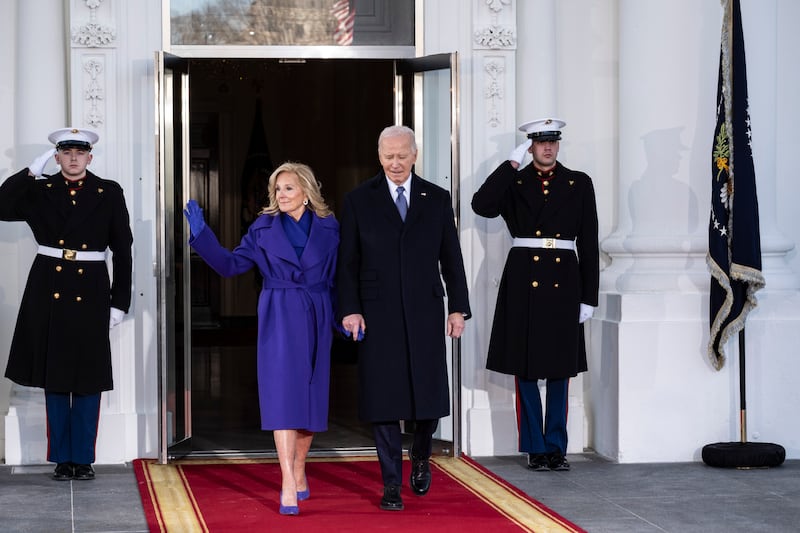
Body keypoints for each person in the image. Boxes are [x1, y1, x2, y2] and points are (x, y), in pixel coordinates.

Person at [182, 161, 338, 516]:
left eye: (288, 188)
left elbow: (339, 275)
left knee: (310, 402)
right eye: (277, 189)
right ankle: (286, 480)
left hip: (317, 312)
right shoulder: (262, 228)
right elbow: (230, 266)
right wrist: (202, 234)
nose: (281, 195)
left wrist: (346, 315)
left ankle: (299, 469)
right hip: (280, 315)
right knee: (283, 397)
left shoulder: (330, 227)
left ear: (306, 193)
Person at [337, 125, 471, 511]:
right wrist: (350, 308)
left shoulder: (437, 198)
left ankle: (422, 453)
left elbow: (452, 258)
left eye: (402, 155)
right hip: (376, 315)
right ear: (378, 156)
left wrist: (457, 307)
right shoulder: (359, 199)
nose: (395, 163)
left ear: (415, 154)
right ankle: (391, 482)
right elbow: (348, 263)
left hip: (425, 310)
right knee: (383, 400)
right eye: (387, 156)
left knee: (426, 400)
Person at [1, 128, 133, 481]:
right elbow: (2, 206)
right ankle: (61, 458)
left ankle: (82, 458)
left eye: (80, 152)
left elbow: (122, 250)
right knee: (55, 376)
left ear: (90, 157)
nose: (73, 158)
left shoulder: (109, 192)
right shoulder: (40, 190)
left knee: (87, 377)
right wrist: (30, 171)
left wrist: (119, 301)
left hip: (91, 288)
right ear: (56, 157)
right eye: (65, 152)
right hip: (49, 286)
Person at [471, 118, 599, 472]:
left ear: (558, 145)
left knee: (561, 368)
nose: (547, 148)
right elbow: (481, 205)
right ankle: (534, 447)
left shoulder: (579, 183)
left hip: (564, 279)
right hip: (524, 277)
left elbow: (589, 242)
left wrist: (589, 296)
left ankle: (556, 446)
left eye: (552, 142)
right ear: (530, 146)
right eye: (540, 142)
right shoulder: (515, 181)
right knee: (525, 368)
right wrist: (510, 165)